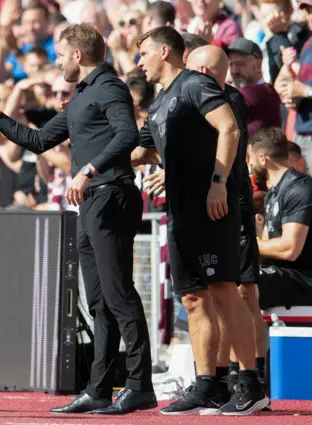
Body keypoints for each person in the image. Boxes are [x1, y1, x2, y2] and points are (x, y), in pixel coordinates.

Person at [0, 23, 156, 416]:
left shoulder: (110, 87)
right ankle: (98, 389)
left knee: (118, 295)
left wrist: (88, 169)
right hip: (93, 200)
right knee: (99, 303)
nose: (57, 62)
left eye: (60, 55)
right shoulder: (82, 96)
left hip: (110, 194)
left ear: (78, 55)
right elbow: (40, 141)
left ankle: (140, 385)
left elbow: (128, 135)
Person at [133, 26, 268, 415]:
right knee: (193, 299)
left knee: (226, 290)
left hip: (213, 205)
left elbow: (229, 127)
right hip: (180, 211)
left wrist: (218, 183)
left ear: (163, 51)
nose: (139, 62)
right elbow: (139, 152)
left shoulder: (194, 83)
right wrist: (88, 160)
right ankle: (208, 384)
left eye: (143, 53)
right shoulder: (160, 103)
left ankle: (251, 383)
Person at [186, 45, 267, 403]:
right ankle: (218, 380)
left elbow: (225, 138)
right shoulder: (187, 97)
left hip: (232, 203)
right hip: (208, 206)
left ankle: (251, 379)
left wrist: (217, 184)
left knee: (242, 291)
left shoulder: (229, 98)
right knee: (214, 295)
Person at [249, 128, 312, 309]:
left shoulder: (299, 189)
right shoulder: (274, 193)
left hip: (304, 279)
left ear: (262, 158)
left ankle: (246, 338)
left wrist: (245, 244)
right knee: (219, 277)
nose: (250, 166)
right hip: (283, 275)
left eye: (250, 158)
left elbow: (290, 249)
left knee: (242, 283)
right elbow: (266, 253)